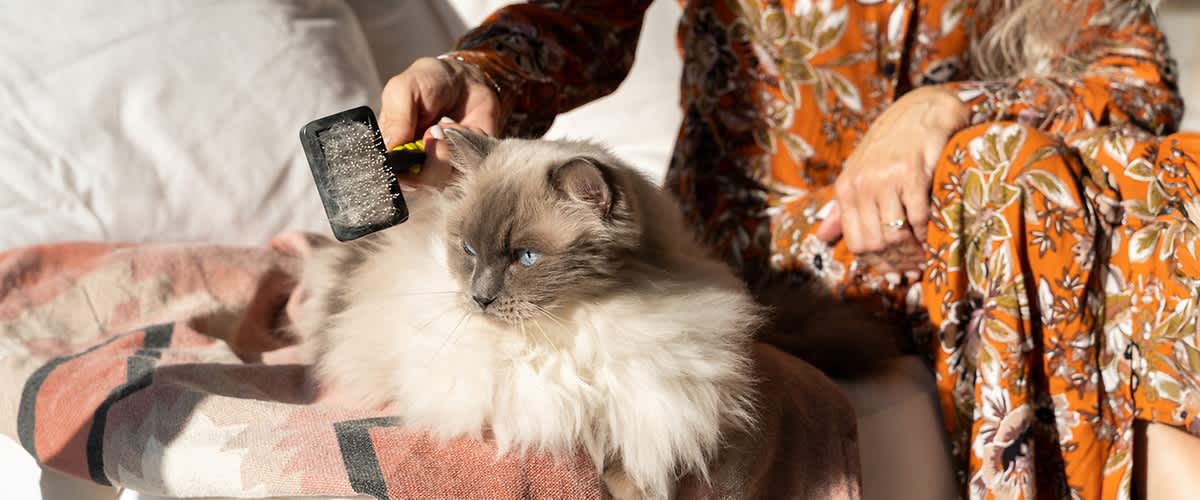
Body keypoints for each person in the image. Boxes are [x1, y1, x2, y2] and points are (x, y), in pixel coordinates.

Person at [372, 1, 1200, 498]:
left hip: (975, 234)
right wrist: (478, 72)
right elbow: (584, 17)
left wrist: (948, 107)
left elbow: (1138, 81)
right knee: (1008, 169)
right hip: (772, 250)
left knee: (1155, 168)